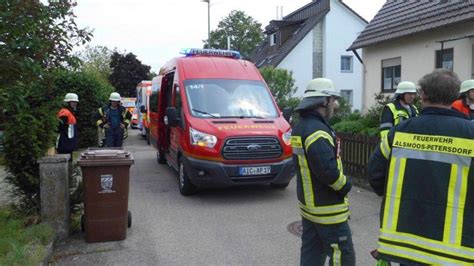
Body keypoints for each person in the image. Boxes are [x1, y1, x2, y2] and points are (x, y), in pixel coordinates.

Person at [367, 69, 474, 265]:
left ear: (423, 94)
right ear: (455, 95)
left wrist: (396, 195)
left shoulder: (399, 132)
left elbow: (375, 174)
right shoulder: (470, 133)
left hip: (405, 242)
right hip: (456, 249)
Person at [291, 78, 355, 266]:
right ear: (324, 101)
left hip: (309, 207)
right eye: (333, 100)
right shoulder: (316, 131)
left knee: (311, 255)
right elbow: (327, 171)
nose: (334, 105)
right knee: (343, 256)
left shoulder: (300, 127)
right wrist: (346, 185)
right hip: (328, 209)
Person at [56, 93, 79, 159]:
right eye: (73, 102)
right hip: (64, 144)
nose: (75, 104)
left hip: (68, 144)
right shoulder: (64, 112)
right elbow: (60, 127)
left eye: (76, 102)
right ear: (67, 103)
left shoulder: (69, 112)